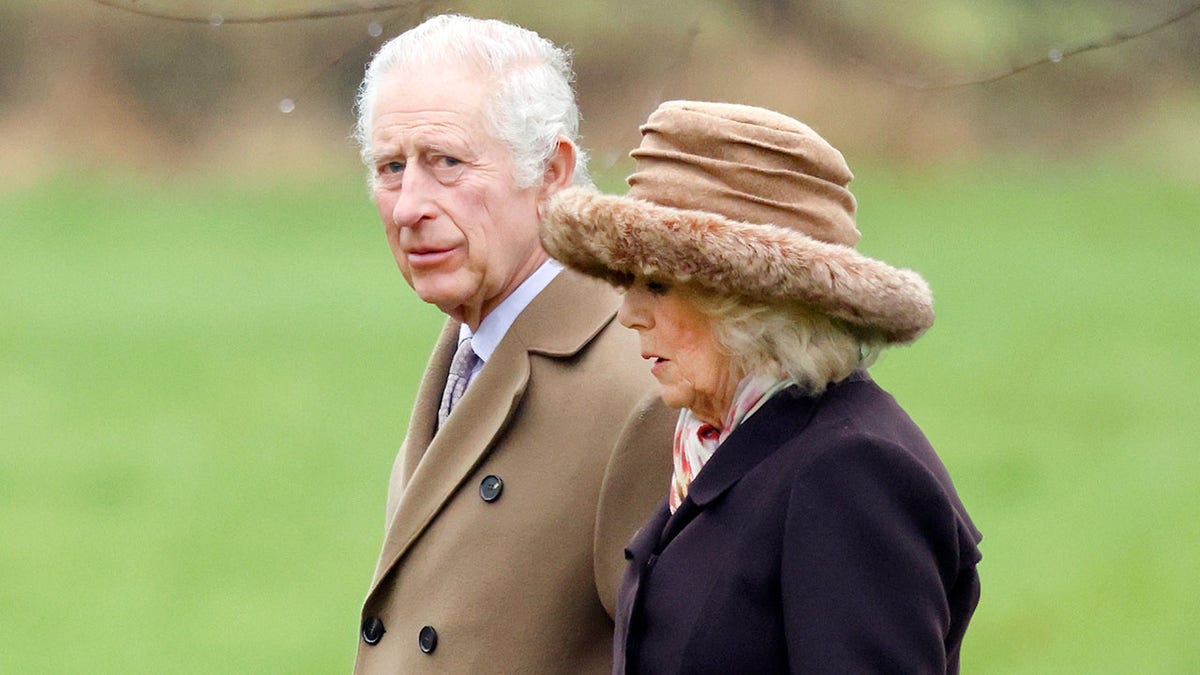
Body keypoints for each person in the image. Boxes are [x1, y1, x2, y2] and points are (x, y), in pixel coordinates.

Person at [541, 100, 983, 674]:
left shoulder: (851, 471)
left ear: (750, 303)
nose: (628, 313)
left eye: (656, 283)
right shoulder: (720, 442)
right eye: (627, 281)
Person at [349, 15, 675, 673]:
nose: (409, 204)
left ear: (552, 171)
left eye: (446, 162)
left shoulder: (640, 381)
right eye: (391, 166)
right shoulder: (471, 340)